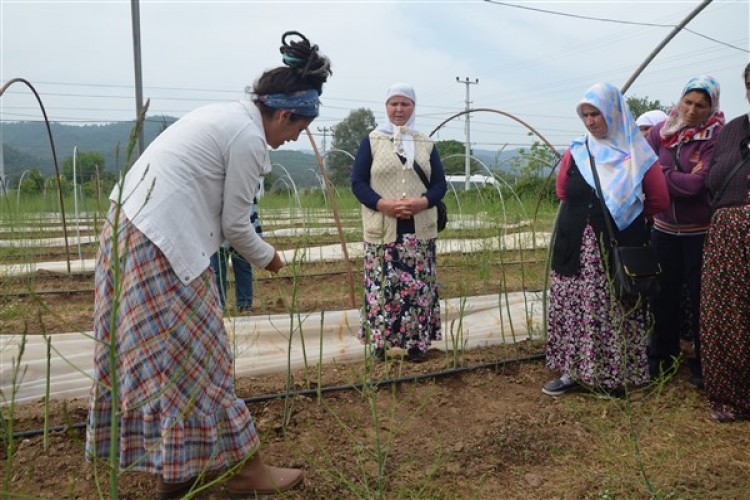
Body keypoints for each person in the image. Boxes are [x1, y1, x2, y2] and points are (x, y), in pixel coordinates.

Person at [85, 31, 331, 498]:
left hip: (133, 232)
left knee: (171, 359)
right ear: (283, 113)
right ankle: (240, 472)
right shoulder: (248, 136)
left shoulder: (228, 116)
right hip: (157, 243)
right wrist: (271, 258)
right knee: (202, 355)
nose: (292, 138)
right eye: (296, 129)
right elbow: (237, 227)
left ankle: (176, 474)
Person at [543, 82, 669, 397]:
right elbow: (562, 191)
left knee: (613, 312)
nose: (590, 121)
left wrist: (623, 212)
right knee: (575, 310)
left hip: (615, 249)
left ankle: (612, 379)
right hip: (574, 247)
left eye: (595, 114)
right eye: (585, 115)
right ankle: (573, 372)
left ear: (613, 112)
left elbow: (658, 200)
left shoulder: (638, 154)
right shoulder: (577, 151)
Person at [350, 83, 447, 363]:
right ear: (386, 107)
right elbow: (357, 183)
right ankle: (380, 344)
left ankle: (417, 344)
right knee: (381, 288)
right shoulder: (372, 141)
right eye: (394, 104)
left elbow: (440, 184)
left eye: (405, 104)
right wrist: (383, 204)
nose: (399, 109)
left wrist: (423, 202)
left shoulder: (425, 143)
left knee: (418, 289)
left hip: (419, 231)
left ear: (413, 108)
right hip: (382, 230)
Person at [646, 75, 724, 387]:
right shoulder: (661, 130)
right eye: (688, 102)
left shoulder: (717, 136)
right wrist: (675, 175)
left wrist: (661, 173)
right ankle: (662, 358)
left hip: (700, 233)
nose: (691, 110)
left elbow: (698, 185)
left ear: (712, 106)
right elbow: (641, 168)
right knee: (662, 296)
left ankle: (704, 364)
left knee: (700, 299)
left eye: (700, 105)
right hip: (663, 230)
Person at [700, 63, 750, 422]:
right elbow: (710, 180)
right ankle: (732, 397)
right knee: (724, 318)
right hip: (725, 236)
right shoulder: (732, 130)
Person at [211, 196, 263, 312]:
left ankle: (244, 304)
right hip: (218, 229)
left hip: (242, 229)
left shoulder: (246, 183)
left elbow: (252, 206)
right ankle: (219, 304)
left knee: (243, 267)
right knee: (217, 270)